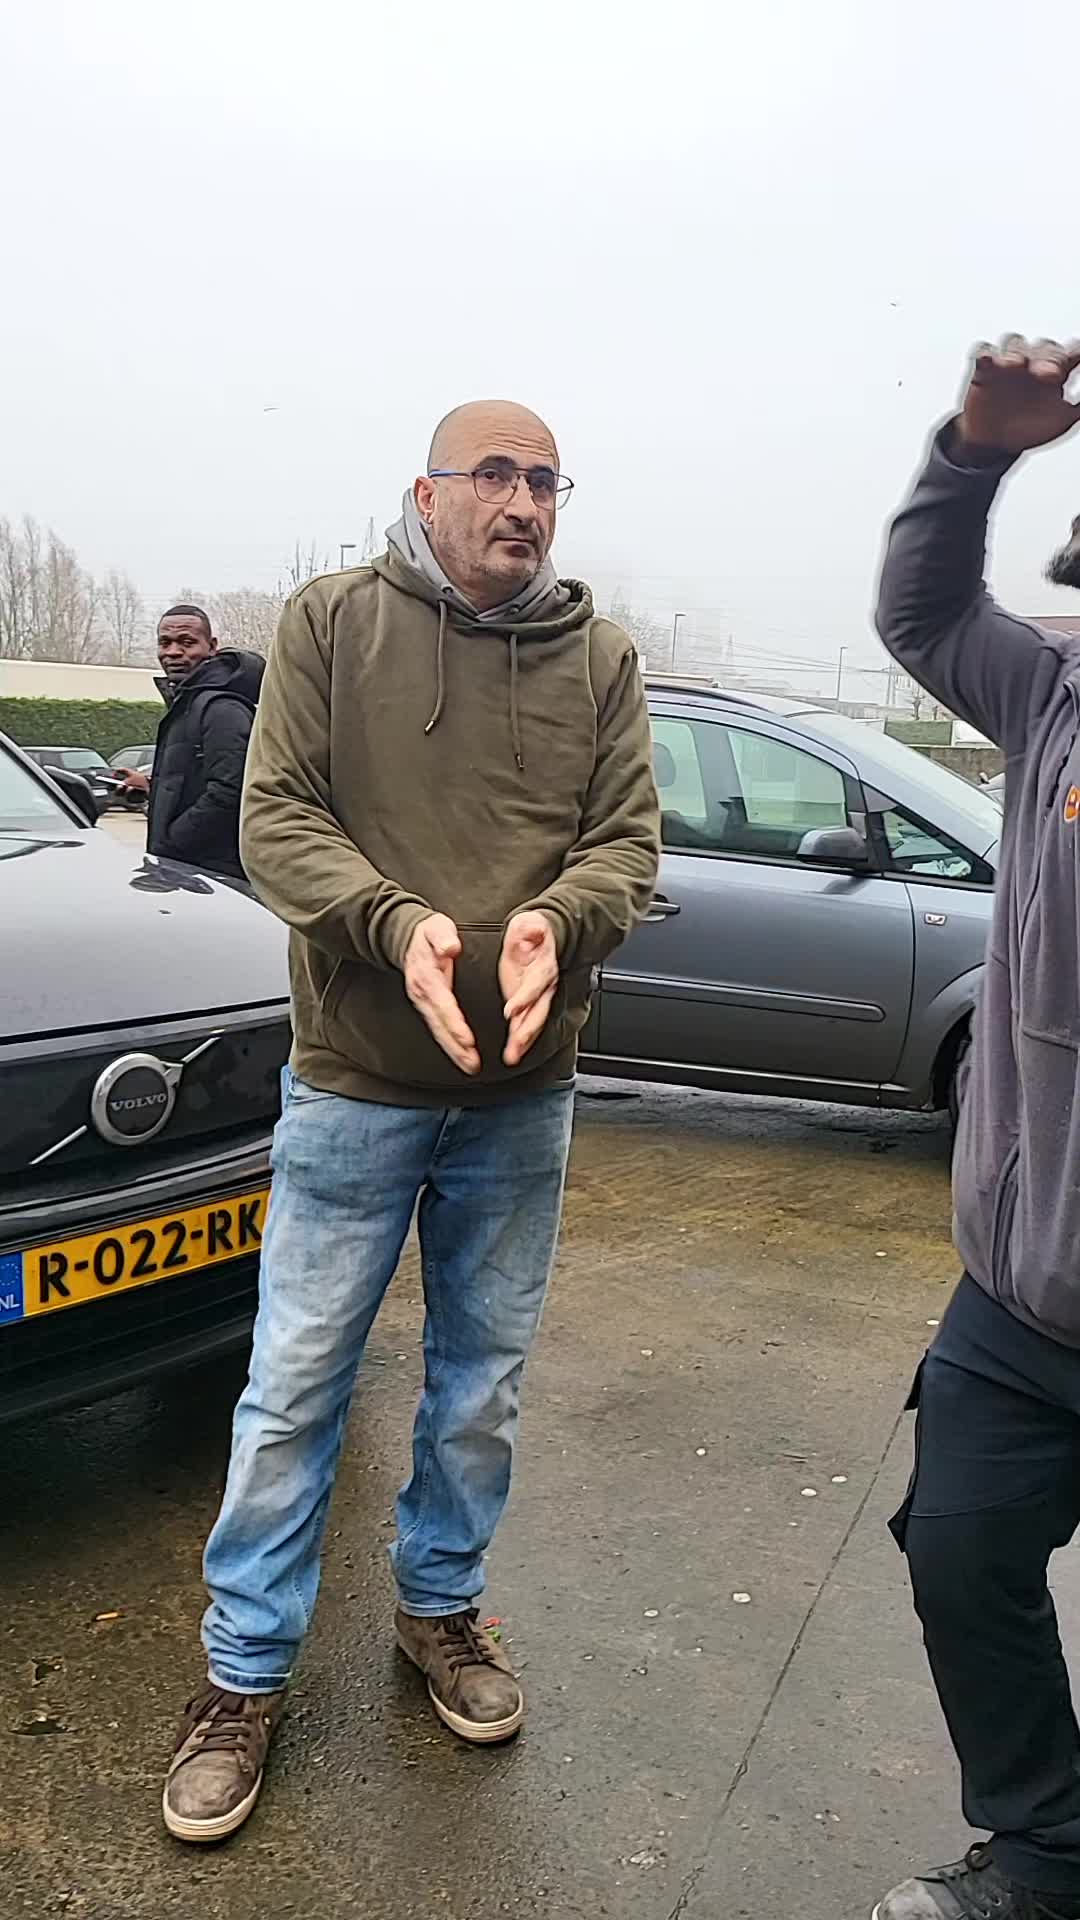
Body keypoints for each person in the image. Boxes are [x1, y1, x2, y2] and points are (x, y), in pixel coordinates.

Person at [161, 401, 661, 1844]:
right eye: (493, 474)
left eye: (546, 480)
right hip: (356, 1083)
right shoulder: (334, 623)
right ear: (427, 494)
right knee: (295, 1385)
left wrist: (562, 920)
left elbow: (628, 841)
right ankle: (244, 1675)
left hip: (524, 1094)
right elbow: (278, 820)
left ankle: (439, 1609)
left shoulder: (601, 656)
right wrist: (398, 925)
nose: (524, 502)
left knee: (480, 1385)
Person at [873, 335, 1080, 1920]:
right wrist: (975, 453)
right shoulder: (1052, 697)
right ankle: (1047, 1848)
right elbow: (924, 612)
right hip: (1021, 1295)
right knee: (960, 1554)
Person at [119, 604, 264, 879]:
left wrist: (171, 843)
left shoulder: (221, 709)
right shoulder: (187, 704)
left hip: (212, 877)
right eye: (165, 643)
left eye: (187, 643)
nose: (173, 652)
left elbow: (230, 792)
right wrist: (151, 787)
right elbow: (192, 781)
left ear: (212, 647)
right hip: (184, 870)